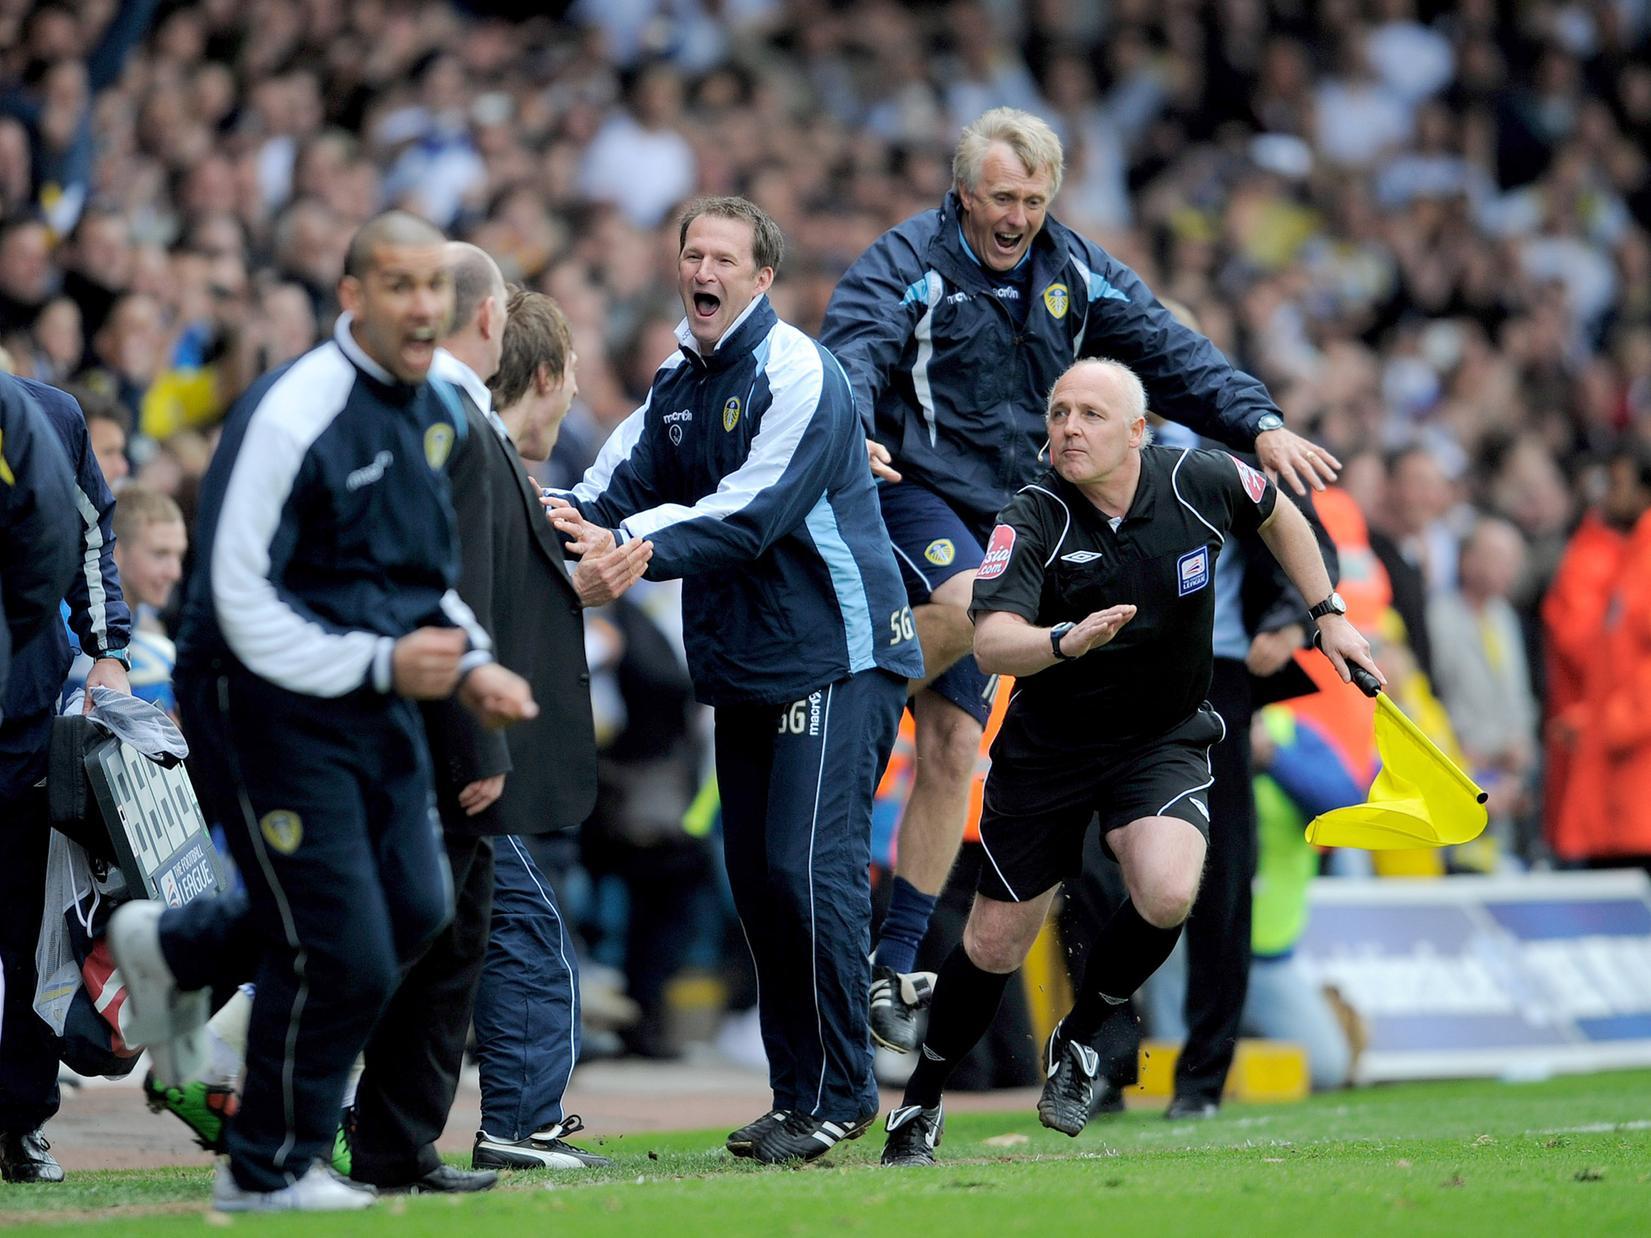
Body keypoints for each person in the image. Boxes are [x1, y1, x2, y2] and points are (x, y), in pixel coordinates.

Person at [818, 108, 1341, 1051]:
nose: (1016, 215)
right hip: (921, 494)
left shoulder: (1077, 271)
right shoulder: (908, 262)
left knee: (949, 751)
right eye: (1000, 197)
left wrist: (1256, 419)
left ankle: (893, 963)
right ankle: (849, 708)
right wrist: (851, 423)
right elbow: (854, 345)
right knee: (960, 606)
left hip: (1012, 511)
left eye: (1032, 198)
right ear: (964, 192)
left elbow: (1172, 354)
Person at [106, 211, 536, 1214]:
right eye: (397, 284)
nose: (421, 304)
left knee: (416, 908)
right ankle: (266, 1168)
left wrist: (471, 663)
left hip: (359, 689)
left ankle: (172, 947)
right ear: (352, 297)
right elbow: (239, 598)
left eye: (433, 285)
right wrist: (387, 657)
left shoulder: (436, 409)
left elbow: (427, 577)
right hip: (254, 694)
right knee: (338, 938)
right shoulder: (294, 412)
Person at [880, 359, 1379, 1166]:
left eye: (1089, 414)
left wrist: (1327, 616)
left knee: (1170, 888)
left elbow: (1282, 513)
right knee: (996, 944)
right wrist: (1060, 642)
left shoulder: (1200, 477)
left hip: (1162, 736)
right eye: (1057, 411)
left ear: (1136, 432)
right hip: (1049, 750)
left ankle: (1083, 1033)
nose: (1068, 428)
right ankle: (921, 1100)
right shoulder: (1031, 514)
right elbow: (989, 638)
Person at [547, 195, 924, 1164]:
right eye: (691, 253)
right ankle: (797, 1095)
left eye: (723, 256)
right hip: (750, 666)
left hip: (840, 652)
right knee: (758, 883)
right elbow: (594, 493)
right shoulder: (676, 385)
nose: (701, 270)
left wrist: (623, 540)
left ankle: (844, 1092)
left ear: (762, 279)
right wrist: (541, 524)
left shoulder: (800, 371)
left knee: (807, 867)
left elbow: (748, 513)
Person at [0, 373, 132, 1185]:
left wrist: (110, 649)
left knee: (34, 932)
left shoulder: (48, 413)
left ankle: (19, 1119)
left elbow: (91, 535)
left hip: (24, 712)